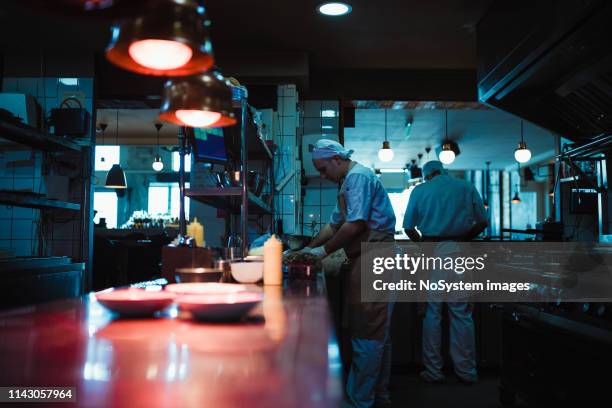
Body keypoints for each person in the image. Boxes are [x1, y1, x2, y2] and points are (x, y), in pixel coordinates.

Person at [303, 139, 396, 408]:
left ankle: (361, 401)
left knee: (368, 331)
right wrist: (308, 248)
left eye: (322, 169)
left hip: (375, 257)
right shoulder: (346, 183)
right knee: (375, 331)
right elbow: (334, 226)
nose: (322, 175)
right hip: (364, 257)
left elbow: (355, 225)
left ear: (336, 159)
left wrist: (322, 253)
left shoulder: (358, 178)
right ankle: (378, 394)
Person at [403, 160, 488, 384]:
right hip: (460, 251)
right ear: (443, 170)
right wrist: (463, 238)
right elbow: (483, 222)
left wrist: (424, 242)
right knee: (461, 313)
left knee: (432, 313)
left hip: (433, 252)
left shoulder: (420, 190)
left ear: (427, 175)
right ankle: (467, 372)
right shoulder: (466, 187)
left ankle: (433, 372)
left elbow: (408, 227)